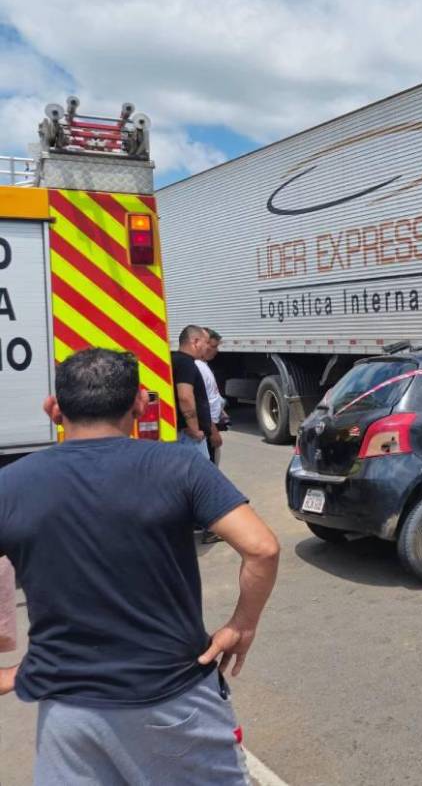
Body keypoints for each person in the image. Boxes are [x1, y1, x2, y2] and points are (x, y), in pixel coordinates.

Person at [0, 348, 280, 784]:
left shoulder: (9, 485)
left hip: (66, 714)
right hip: (173, 700)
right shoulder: (179, 465)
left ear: (54, 409)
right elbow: (262, 548)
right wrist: (242, 626)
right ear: (139, 405)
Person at [173, 325, 213, 461]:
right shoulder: (186, 363)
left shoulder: (175, 359)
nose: (207, 347)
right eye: (205, 342)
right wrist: (195, 430)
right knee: (201, 478)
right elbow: (185, 397)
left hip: (183, 433)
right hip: (190, 437)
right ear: (195, 342)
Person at [197, 328, 227, 466]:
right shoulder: (199, 367)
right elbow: (203, 404)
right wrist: (213, 432)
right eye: (213, 346)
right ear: (203, 344)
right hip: (208, 430)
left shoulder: (203, 366)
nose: (217, 350)